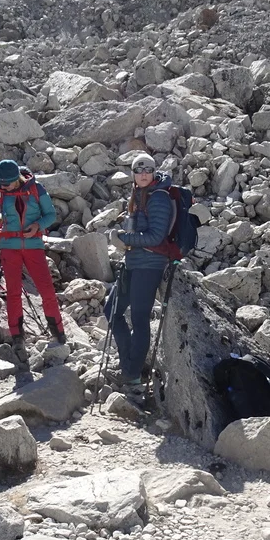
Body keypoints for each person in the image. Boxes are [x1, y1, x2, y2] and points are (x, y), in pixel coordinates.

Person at [0, 160, 64, 360]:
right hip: (9, 247)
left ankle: (58, 333)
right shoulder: (0, 191)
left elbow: (50, 215)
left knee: (47, 290)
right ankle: (17, 338)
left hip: (33, 246)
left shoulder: (36, 189)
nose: (1, 188)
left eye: (5, 185)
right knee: (13, 293)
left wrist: (37, 226)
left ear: (16, 180)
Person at [105, 154, 173, 387]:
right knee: (111, 310)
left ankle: (132, 373)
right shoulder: (139, 194)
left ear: (154, 172)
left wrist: (124, 238)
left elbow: (156, 236)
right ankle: (128, 365)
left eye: (148, 169)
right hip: (133, 262)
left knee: (139, 319)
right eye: (138, 169)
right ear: (132, 173)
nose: (143, 173)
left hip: (150, 265)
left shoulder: (159, 198)